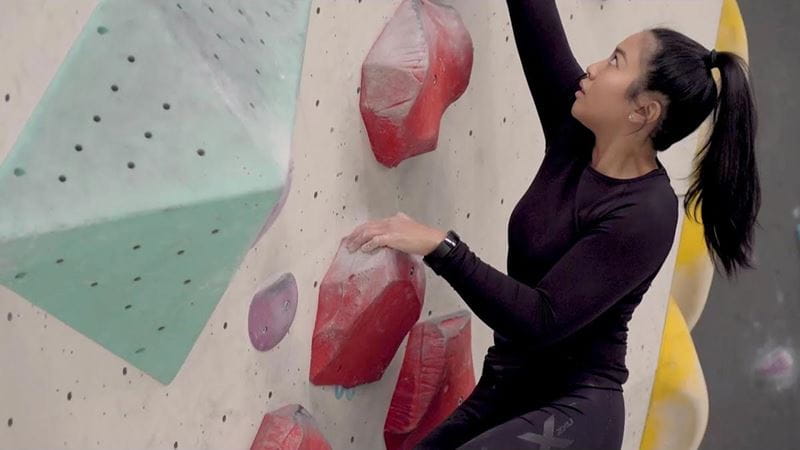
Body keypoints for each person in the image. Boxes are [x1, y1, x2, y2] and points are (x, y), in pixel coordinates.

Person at [344, 0, 760, 447]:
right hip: (507, 391)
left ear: (643, 111)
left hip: (574, 414)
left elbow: (540, 318)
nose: (595, 68)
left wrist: (443, 248)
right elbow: (533, 14)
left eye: (616, 62)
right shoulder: (575, 130)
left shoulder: (646, 214)